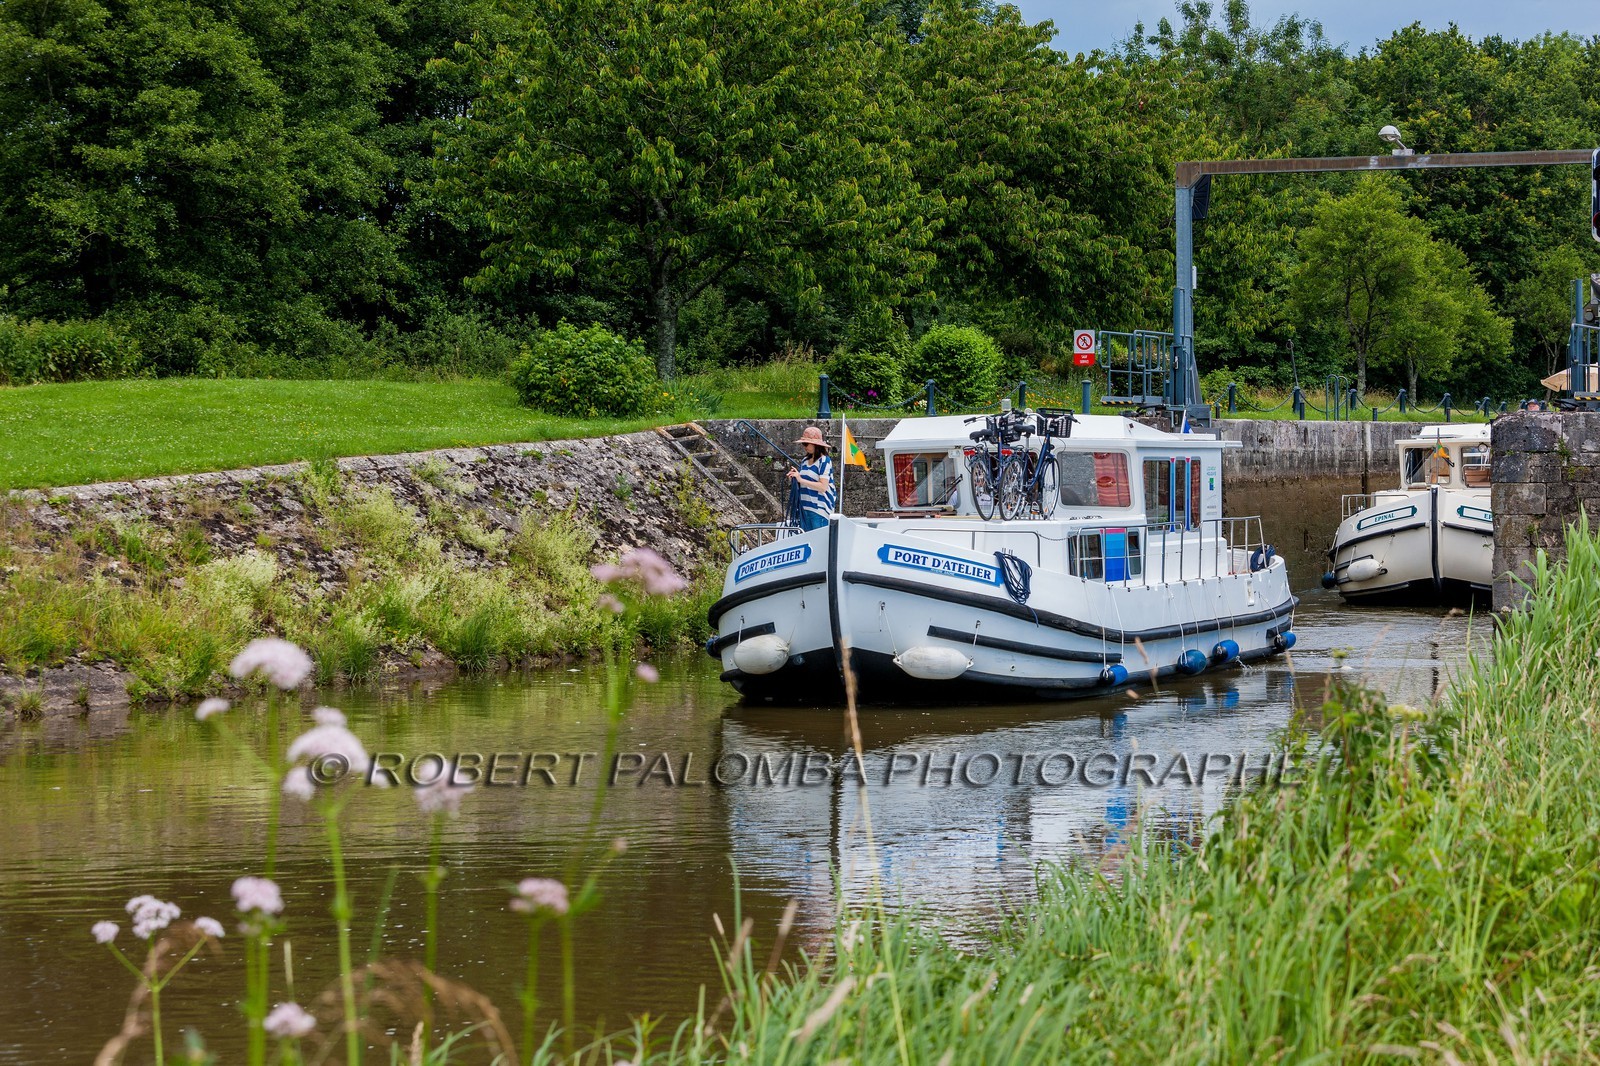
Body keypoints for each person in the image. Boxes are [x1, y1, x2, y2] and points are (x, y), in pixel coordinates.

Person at [788, 426, 835, 530]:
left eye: (806, 444)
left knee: (818, 539)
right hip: (804, 508)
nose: (804, 447)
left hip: (819, 510)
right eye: (803, 444)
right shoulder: (804, 461)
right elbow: (802, 482)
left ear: (815, 445)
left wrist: (801, 479)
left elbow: (823, 487)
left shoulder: (824, 461)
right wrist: (795, 477)